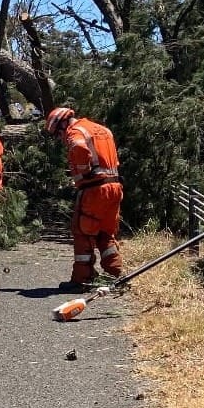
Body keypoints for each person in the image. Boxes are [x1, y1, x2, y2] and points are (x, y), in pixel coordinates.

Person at [46, 107, 124, 290]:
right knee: (105, 232)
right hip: (114, 187)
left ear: (63, 124)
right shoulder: (102, 129)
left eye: (57, 133)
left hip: (94, 189)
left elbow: (79, 147)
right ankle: (116, 274)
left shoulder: (75, 131)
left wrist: (84, 170)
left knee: (83, 232)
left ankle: (82, 279)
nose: (59, 138)